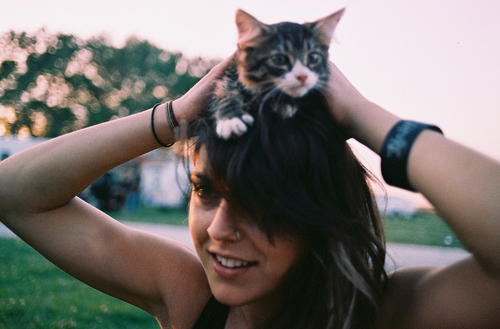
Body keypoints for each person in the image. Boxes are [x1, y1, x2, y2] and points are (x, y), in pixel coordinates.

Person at [0, 53, 499, 328]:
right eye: (206, 190)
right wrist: (173, 117)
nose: (218, 230)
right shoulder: (190, 299)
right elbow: (14, 194)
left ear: (321, 209)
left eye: (261, 202)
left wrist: (360, 115)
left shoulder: (393, 313)